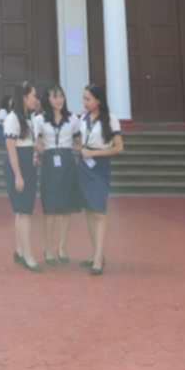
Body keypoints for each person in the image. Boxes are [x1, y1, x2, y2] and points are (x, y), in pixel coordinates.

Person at [75, 83, 124, 276]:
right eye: (84, 98)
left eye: (88, 98)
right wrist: (80, 149)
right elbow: (79, 141)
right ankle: (96, 253)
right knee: (88, 210)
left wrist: (95, 152)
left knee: (99, 213)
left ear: (98, 100)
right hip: (84, 168)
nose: (84, 102)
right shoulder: (82, 119)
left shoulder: (111, 120)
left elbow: (119, 148)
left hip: (100, 168)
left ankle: (98, 259)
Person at [34, 85, 82, 264]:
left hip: (68, 163)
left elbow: (78, 142)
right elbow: (36, 142)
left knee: (65, 208)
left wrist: (78, 149)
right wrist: (40, 150)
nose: (59, 100)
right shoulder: (40, 120)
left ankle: (62, 247)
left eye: (61, 96)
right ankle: (48, 249)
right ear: (48, 99)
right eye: (55, 97)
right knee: (50, 209)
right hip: (49, 163)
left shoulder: (73, 119)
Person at [0, 86, 42, 271]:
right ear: (24, 97)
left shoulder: (28, 118)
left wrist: (34, 155)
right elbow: (11, 149)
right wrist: (18, 175)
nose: (36, 99)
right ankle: (28, 255)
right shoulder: (12, 118)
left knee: (21, 211)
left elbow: (27, 144)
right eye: (33, 96)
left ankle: (19, 250)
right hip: (18, 167)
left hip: (28, 165)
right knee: (24, 212)